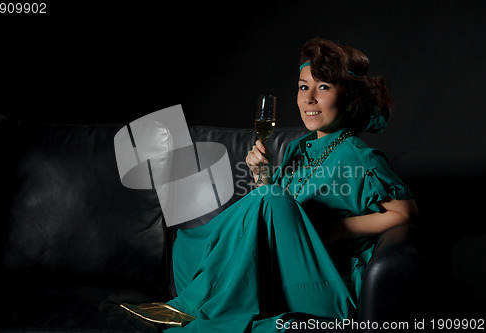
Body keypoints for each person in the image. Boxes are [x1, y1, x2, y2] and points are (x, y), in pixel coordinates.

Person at [121, 37, 418, 332]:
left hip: (325, 281)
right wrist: (261, 175)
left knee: (268, 199)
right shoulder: (298, 148)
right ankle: (205, 299)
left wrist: (334, 230)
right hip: (283, 270)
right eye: (303, 87)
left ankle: (193, 305)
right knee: (186, 248)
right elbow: (273, 216)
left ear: (350, 98)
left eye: (323, 87)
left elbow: (406, 213)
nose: (308, 98)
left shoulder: (360, 157)